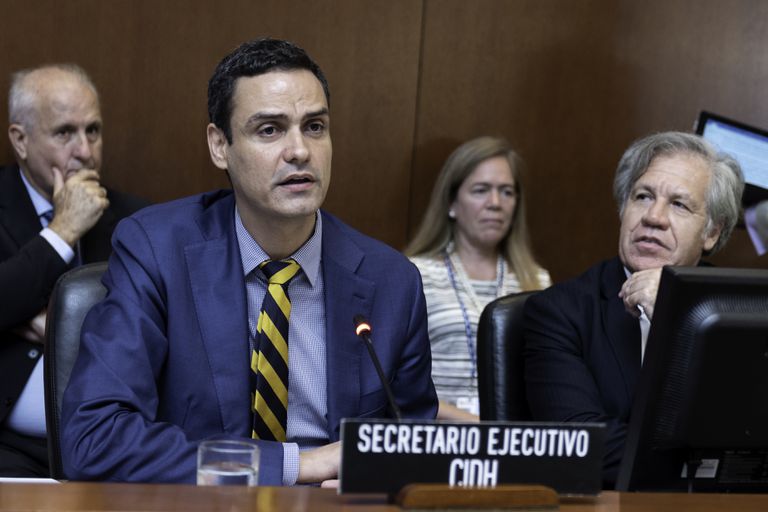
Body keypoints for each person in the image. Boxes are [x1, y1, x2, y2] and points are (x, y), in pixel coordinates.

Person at [60, 38, 437, 486]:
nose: (299, 151)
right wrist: (296, 465)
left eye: (314, 127)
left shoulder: (391, 282)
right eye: (270, 130)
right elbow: (94, 440)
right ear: (220, 145)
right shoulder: (156, 251)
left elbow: (415, 450)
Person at [523, 131, 744, 487]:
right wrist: (704, 462)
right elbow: (578, 447)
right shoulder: (559, 312)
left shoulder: (742, 310)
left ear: (711, 233)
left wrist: (677, 320)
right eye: (643, 197)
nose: (653, 217)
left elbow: (751, 433)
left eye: (679, 204)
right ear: (622, 208)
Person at [0, 64, 147, 476]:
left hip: (112, 442)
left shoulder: (137, 221)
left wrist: (41, 320)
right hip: (9, 447)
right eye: (64, 133)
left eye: (93, 131)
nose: (85, 151)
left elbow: (146, 329)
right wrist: (63, 231)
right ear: (21, 140)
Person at [405, 136, 550, 421]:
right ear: (452, 203)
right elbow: (401, 383)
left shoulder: (536, 281)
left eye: (506, 192)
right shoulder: (415, 274)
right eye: (481, 190)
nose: (495, 203)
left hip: (512, 448)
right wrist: (480, 426)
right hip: (437, 440)